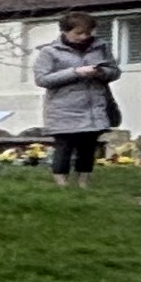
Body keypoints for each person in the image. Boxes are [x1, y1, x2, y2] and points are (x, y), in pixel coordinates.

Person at [32, 12, 123, 184]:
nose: (84, 37)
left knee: (88, 148)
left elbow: (115, 71)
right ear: (65, 32)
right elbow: (42, 79)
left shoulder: (101, 47)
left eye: (88, 33)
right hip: (64, 109)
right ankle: (62, 185)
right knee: (64, 147)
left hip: (93, 108)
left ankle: (84, 183)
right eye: (78, 33)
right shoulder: (49, 52)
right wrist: (76, 73)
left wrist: (101, 72)